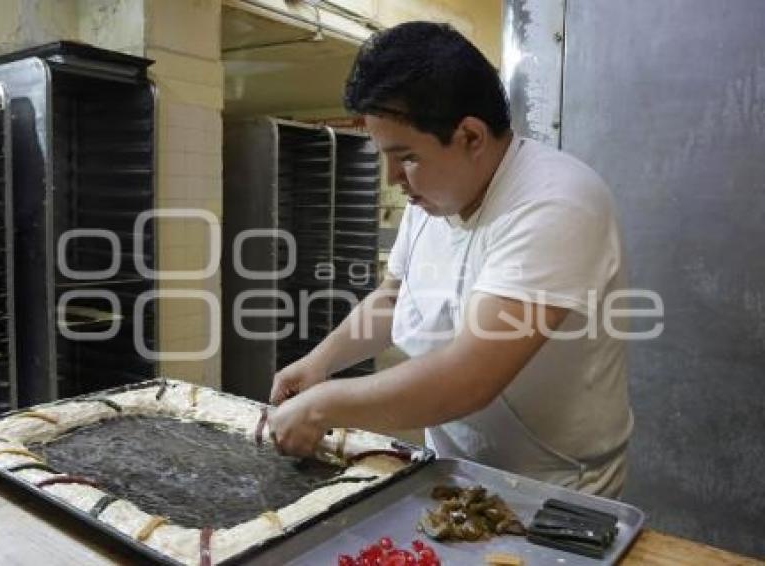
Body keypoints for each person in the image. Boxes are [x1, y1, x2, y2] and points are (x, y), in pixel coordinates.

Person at [266, 21, 633, 497]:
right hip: (454, 467)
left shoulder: (557, 201)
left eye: (406, 157)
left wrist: (324, 405)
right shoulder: (435, 197)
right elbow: (393, 299)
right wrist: (318, 364)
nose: (393, 176)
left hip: (557, 485)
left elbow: (469, 377)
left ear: (471, 137)